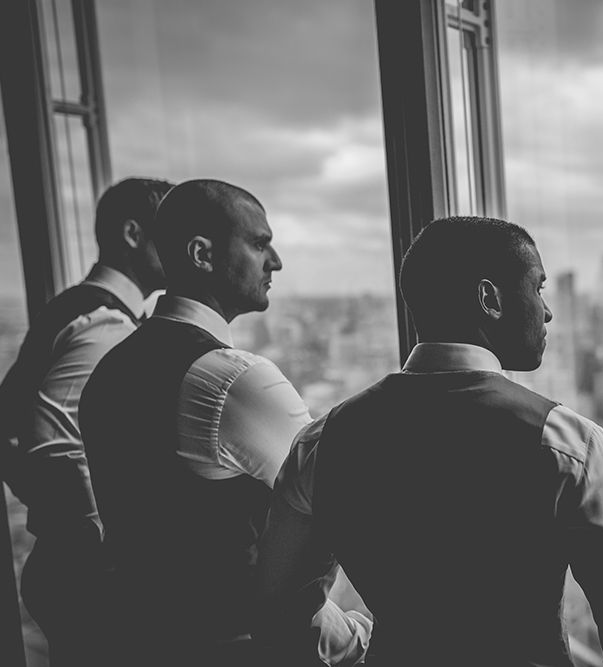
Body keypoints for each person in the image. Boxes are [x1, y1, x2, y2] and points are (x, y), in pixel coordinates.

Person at [256, 216, 603, 666]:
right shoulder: (566, 444)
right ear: (489, 299)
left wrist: (368, 644)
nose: (548, 310)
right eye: (538, 288)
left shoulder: (323, 441)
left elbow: (279, 611)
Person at [79, 179, 370, 667]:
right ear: (201, 254)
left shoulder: (110, 367)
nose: (274, 261)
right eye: (259, 243)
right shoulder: (235, 380)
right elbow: (333, 522)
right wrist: (357, 640)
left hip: (136, 636)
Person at [0, 177, 174, 666]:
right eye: (171, 230)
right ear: (133, 233)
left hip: (65, 567)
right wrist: (106, 552)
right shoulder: (105, 324)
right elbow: (55, 446)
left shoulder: (77, 307)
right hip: (87, 575)